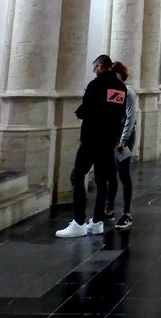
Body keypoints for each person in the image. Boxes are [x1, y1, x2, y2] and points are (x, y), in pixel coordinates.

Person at [55, 54, 127, 238]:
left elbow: (85, 110)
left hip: (92, 139)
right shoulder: (121, 87)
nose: (94, 71)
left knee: (77, 176)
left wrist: (81, 111)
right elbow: (120, 114)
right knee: (102, 180)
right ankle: (96, 222)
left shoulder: (96, 84)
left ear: (101, 66)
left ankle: (78, 222)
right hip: (108, 141)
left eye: (95, 68)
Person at [104, 60, 137, 231]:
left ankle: (127, 214)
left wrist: (123, 140)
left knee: (124, 174)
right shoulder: (111, 91)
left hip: (125, 137)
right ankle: (108, 209)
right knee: (110, 173)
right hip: (112, 135)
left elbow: (130, 117)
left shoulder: (128, 92)